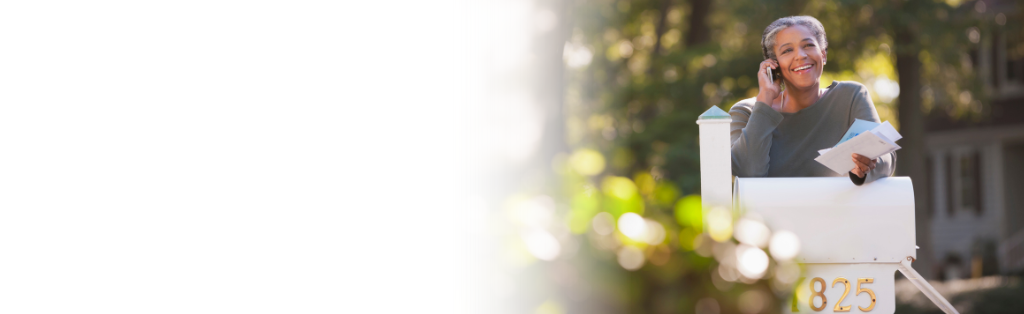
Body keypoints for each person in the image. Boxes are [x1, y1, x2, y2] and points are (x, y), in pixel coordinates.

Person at [729, 15, 895, 185]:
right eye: (787, 50)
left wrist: (863, 168)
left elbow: (885, 156)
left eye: (808, 45)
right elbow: (748, 172)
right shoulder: (746, 113)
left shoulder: (851, 96)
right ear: (774, 66)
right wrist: (765, 100)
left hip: (837, 210)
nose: (800, 56)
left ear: (823, 55)